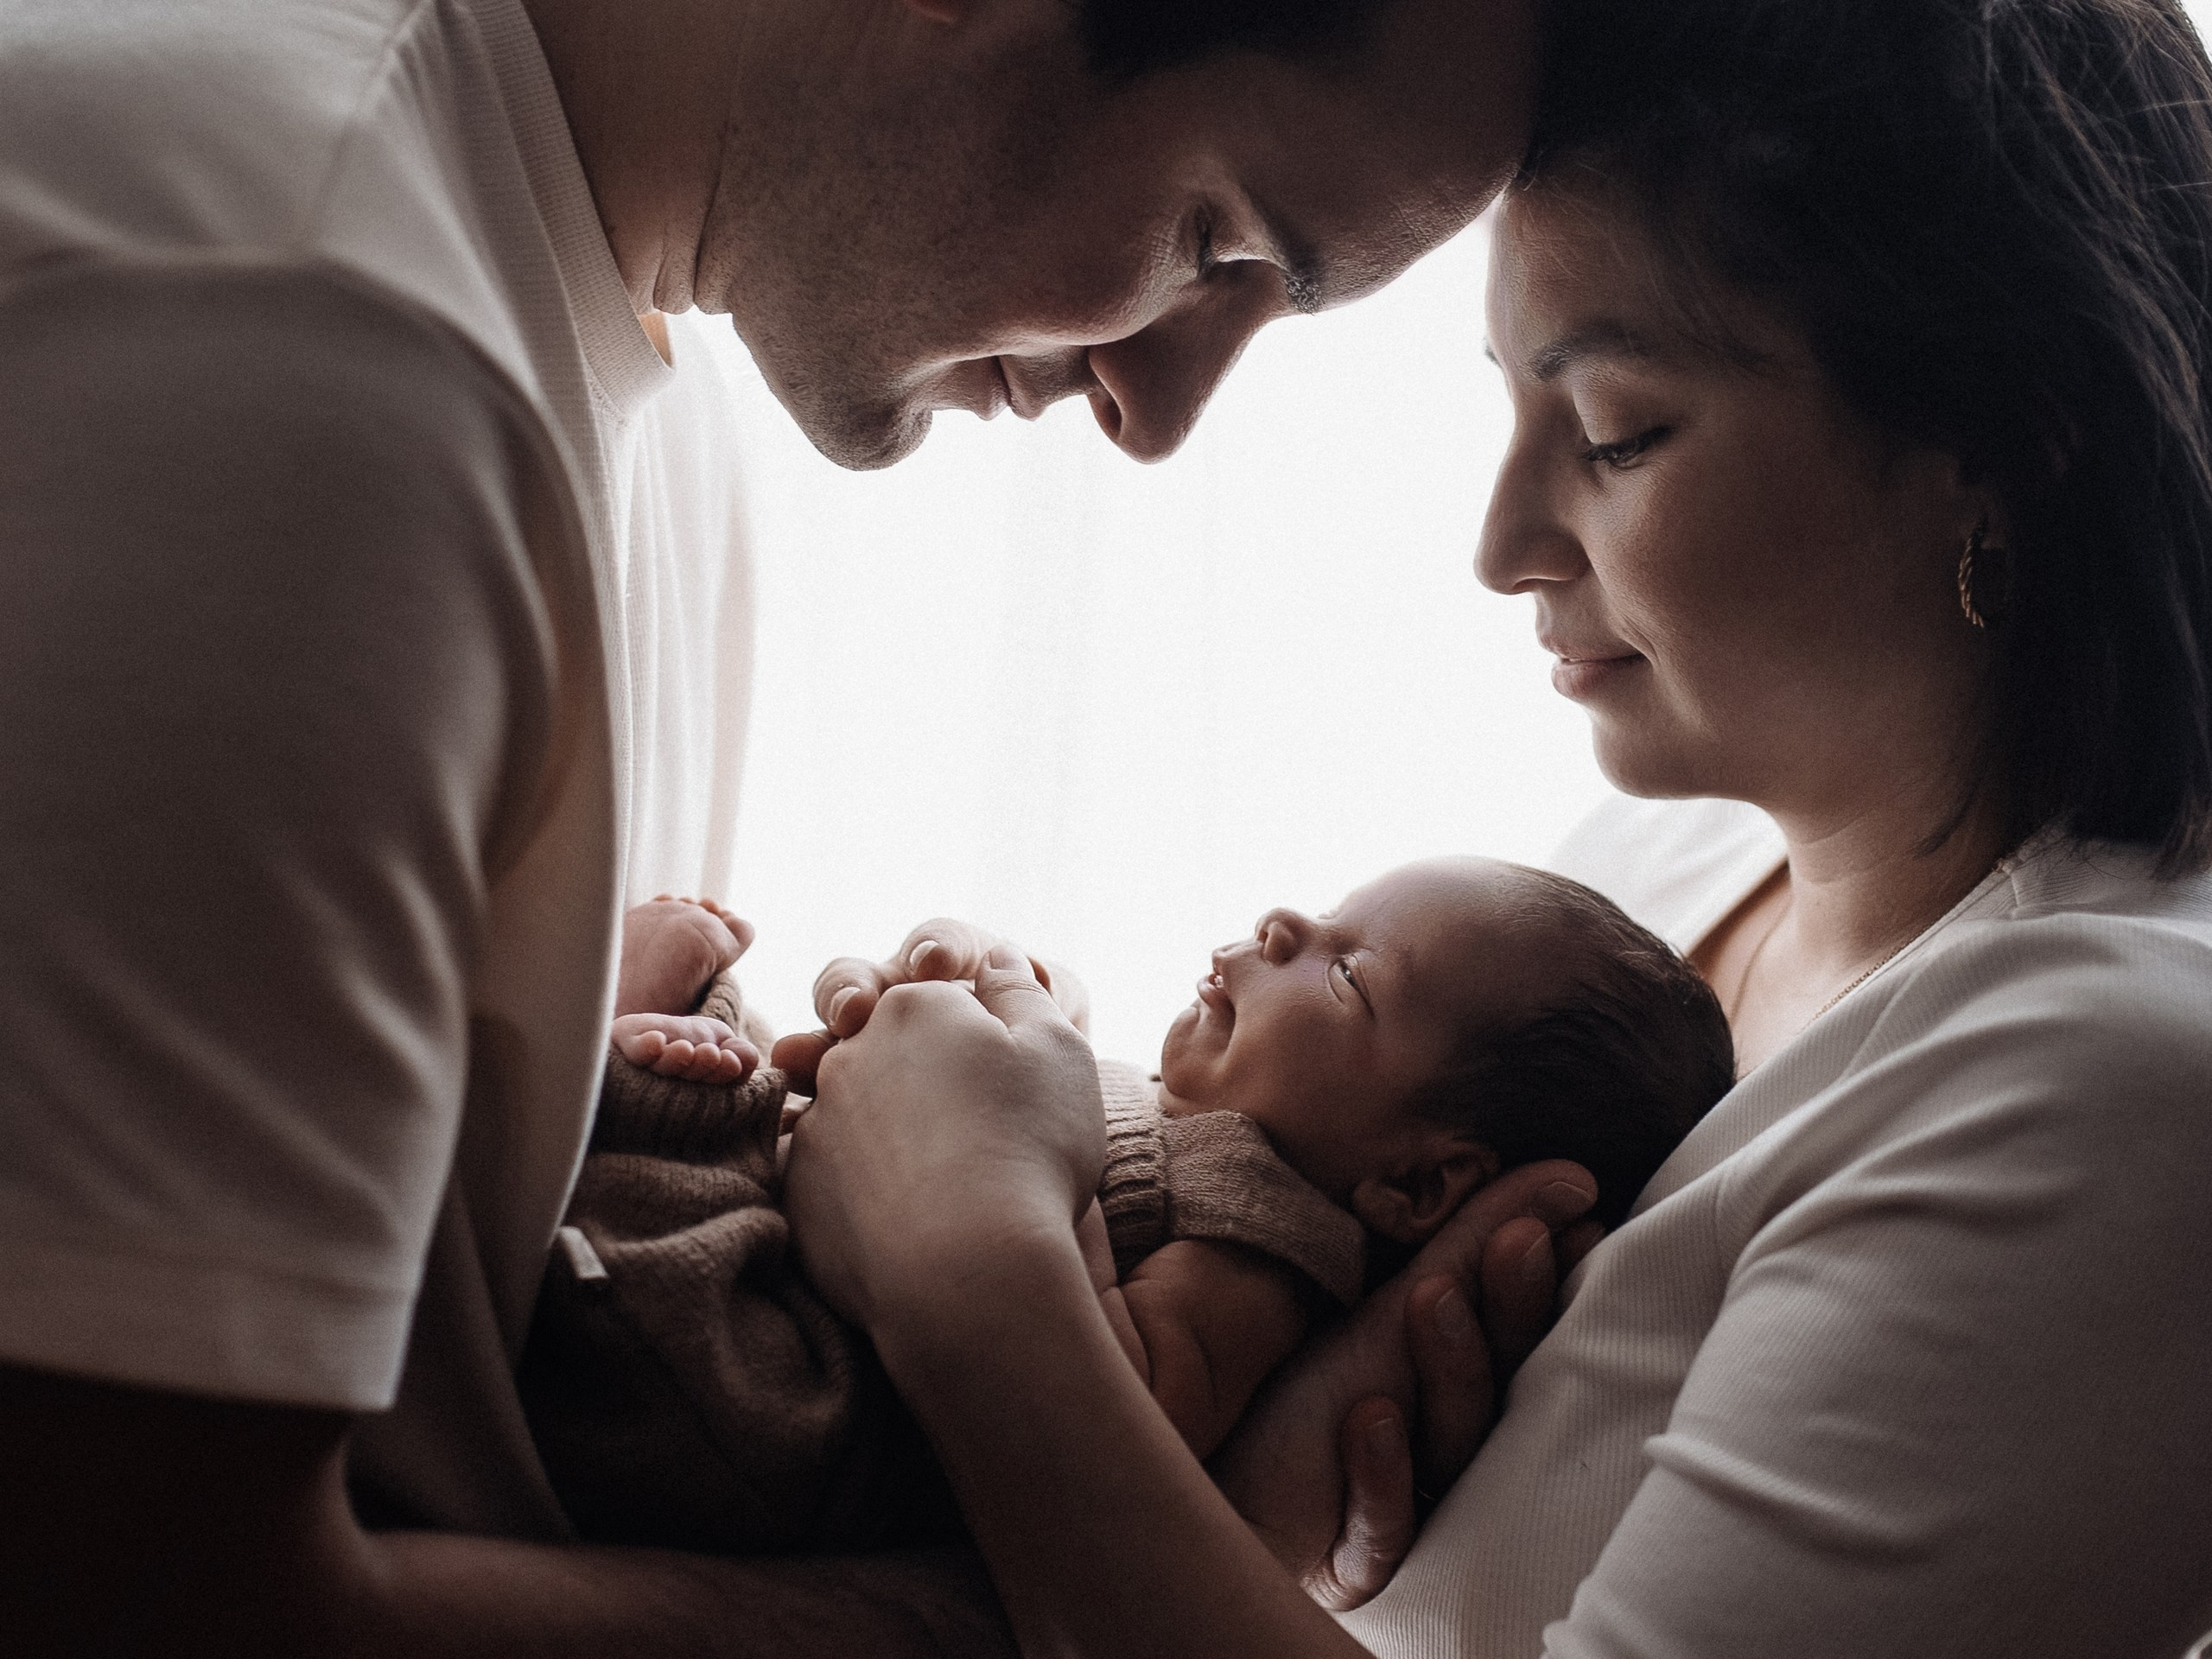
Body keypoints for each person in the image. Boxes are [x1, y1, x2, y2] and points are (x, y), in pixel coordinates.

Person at [0, 0, 1575, 1654]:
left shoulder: (625, 378)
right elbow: (133, 1600)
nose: (1161, 410)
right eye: (1217, 241)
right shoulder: (303, 343)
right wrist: (1123, 1568)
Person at [780, 0, 2212, 1653]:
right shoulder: (1658, 881)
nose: (1501, 543)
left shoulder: (2118, 1091)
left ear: (2005, 436)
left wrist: (972, 1280)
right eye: (1510, 416)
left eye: (1615, 433)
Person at [522, 861, 1730, 1553]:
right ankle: (667, 1047)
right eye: (1320, 914)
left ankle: (631, 1071)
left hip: (779, 1412)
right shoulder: (1184, 1118)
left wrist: (1013, 1166)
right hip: (808, 1253)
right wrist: (996, 1013)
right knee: (748, 1059)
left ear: (1417, 1185)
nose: (1283, 926)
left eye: (1349, 970)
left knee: (675, 1185)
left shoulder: (1262, 1240)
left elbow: (1128, 1407)